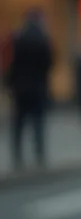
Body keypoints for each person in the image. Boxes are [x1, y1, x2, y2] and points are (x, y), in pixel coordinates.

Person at [6, 9, 54, 170]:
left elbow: (11, 63)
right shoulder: (43, 39)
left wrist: (10, 83)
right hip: (38, 86)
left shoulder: (19, 38)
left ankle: (17, 156)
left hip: (20, 87)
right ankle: (39, 155)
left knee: (19, 123)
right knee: (38, 122)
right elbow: (49, 62)